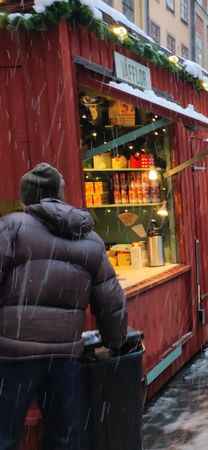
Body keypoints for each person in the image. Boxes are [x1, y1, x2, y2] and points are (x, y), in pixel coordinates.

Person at [0, 163, 128, 450]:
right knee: (65, 438)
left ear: (27, 199)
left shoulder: (11, 228)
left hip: (11, 357)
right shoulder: (89, 238)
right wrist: (115, 341)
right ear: (60, 195)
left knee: (4, 436)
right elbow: (111, 300)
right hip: (64, 358)